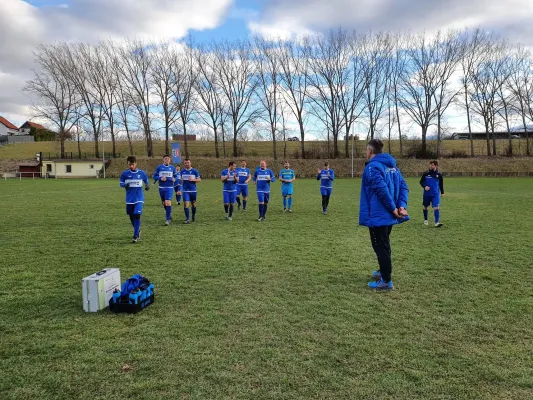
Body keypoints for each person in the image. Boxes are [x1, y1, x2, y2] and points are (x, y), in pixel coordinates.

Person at [359, 139, 409, 290]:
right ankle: (383, 271)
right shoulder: (393, 167)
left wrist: (394, 208)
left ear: (370, 151)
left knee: (380, 246)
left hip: (379, 215)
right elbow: (404, 187)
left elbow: (382, 189)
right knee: (383, 244)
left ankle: (386, 280)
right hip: (389, 214)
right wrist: (401, 206)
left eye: (366, 150)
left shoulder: (372, 167)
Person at [119, 156, 149, 243]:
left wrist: (147, 185)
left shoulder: (142, 173)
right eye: (129, 164)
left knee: (137, 215)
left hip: (139, 198)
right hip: (129, 199)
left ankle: (135, 235)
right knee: (131, 216)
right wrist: (125, 185)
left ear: (136, 163)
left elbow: (146, 180)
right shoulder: (124, 174)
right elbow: (121, 183)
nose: (131, 166)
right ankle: (138, 230)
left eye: (132, 164)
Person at [153, 154, 178, 225]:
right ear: (163, 160)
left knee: (167, 202)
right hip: (161, 188)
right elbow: (154, 176)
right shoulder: (159, 167)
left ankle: (167, 220)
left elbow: (176, 176)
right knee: (164, 203)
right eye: (165, 158)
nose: (167, 160)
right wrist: (160, 178)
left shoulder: (172, 168)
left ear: (170, 160)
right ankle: (169, 215)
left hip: (169, 188)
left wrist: (174, 179)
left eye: (168, 159)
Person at [420, 160, 444, 227]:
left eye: (432, 165)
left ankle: (437, 222)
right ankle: (426, 220)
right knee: (425, 207)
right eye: (430, 165)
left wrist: (442, 193)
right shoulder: (426, 173)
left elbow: (441, 184)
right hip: (427, 194)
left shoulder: (439, 175)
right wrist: (425, 187)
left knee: (436, 207)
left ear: (436, 166)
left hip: (435, 194)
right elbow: (421, 182)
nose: (430, 166)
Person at [181, 158, 201, 224]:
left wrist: (193, 180)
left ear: (190, 163)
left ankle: (193, 215)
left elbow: (199, 180)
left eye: (188, 163)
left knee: (193, 204)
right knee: (186, 204)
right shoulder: (182, 171)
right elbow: (180, 180)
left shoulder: (195, 171)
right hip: (185, 191)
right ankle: (187, 218)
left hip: (193, 191)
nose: (187, 164)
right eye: (185, 163)